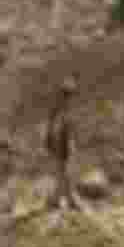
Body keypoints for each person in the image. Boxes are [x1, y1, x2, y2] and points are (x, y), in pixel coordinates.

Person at [46, 78, 78, 210]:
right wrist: (61, 146)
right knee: (65, 174)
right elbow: (56, 130)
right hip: (61, 146)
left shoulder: (62, 109)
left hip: (62, 145)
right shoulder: (60, 110)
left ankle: (56, 200)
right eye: (68, 94)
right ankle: (68, 201)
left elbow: (63, 129)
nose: (69, 97)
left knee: (63, 174)